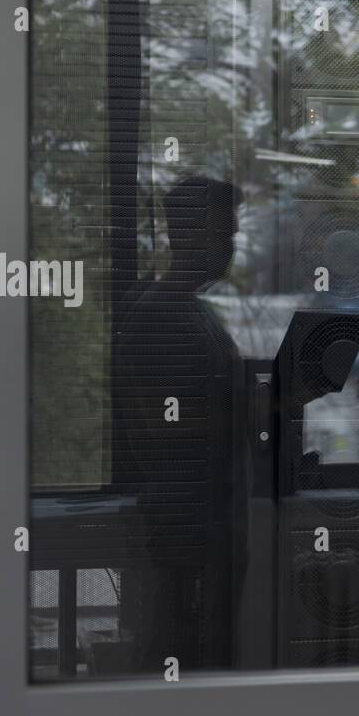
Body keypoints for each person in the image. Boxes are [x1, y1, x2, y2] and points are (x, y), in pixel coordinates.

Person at [111, 175, 247, 673]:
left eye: (231, 237)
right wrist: (258, 410)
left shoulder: (196, 313)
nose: (228, 250)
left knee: (201, 649)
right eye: (221, 236)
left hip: (204, 519)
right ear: (184, 237)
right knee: (179, 649)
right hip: (182, 526)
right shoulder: (160, 316)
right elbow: (163, 422)